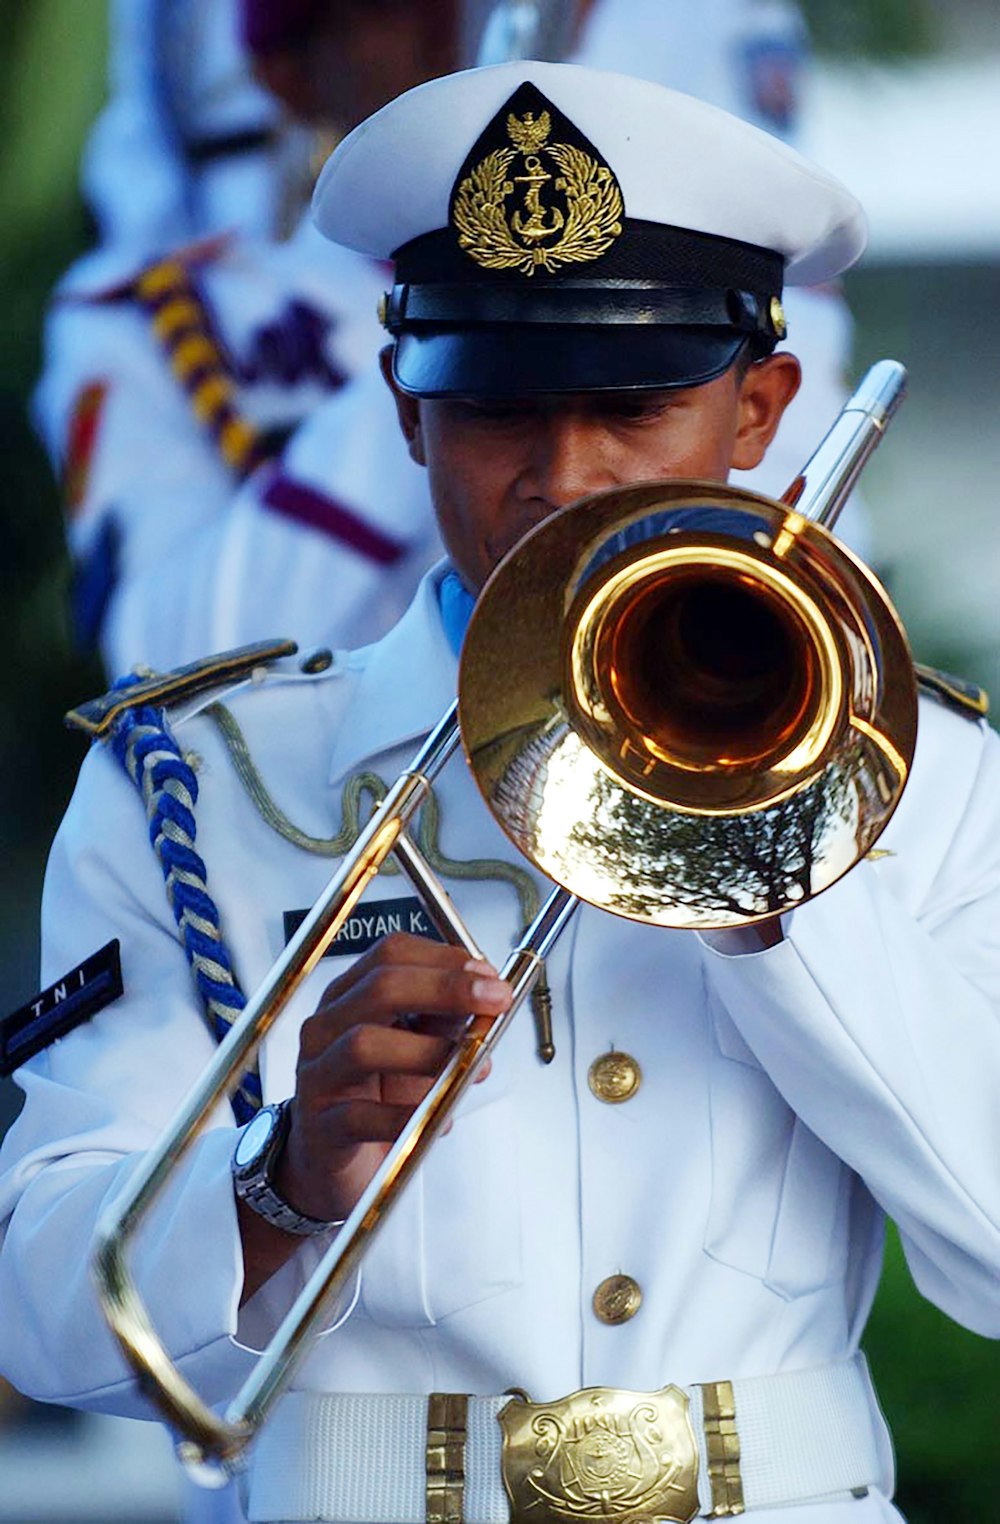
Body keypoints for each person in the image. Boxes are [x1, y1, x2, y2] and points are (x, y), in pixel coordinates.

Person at [3, 59, 998, 1524]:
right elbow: (41, 1318)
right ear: (409, 414)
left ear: (762, 410)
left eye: (634, 404)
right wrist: (277, 1178)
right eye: (494, 411)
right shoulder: (201, 779)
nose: (559, 475)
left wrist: (774, 891)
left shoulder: (932, 779)